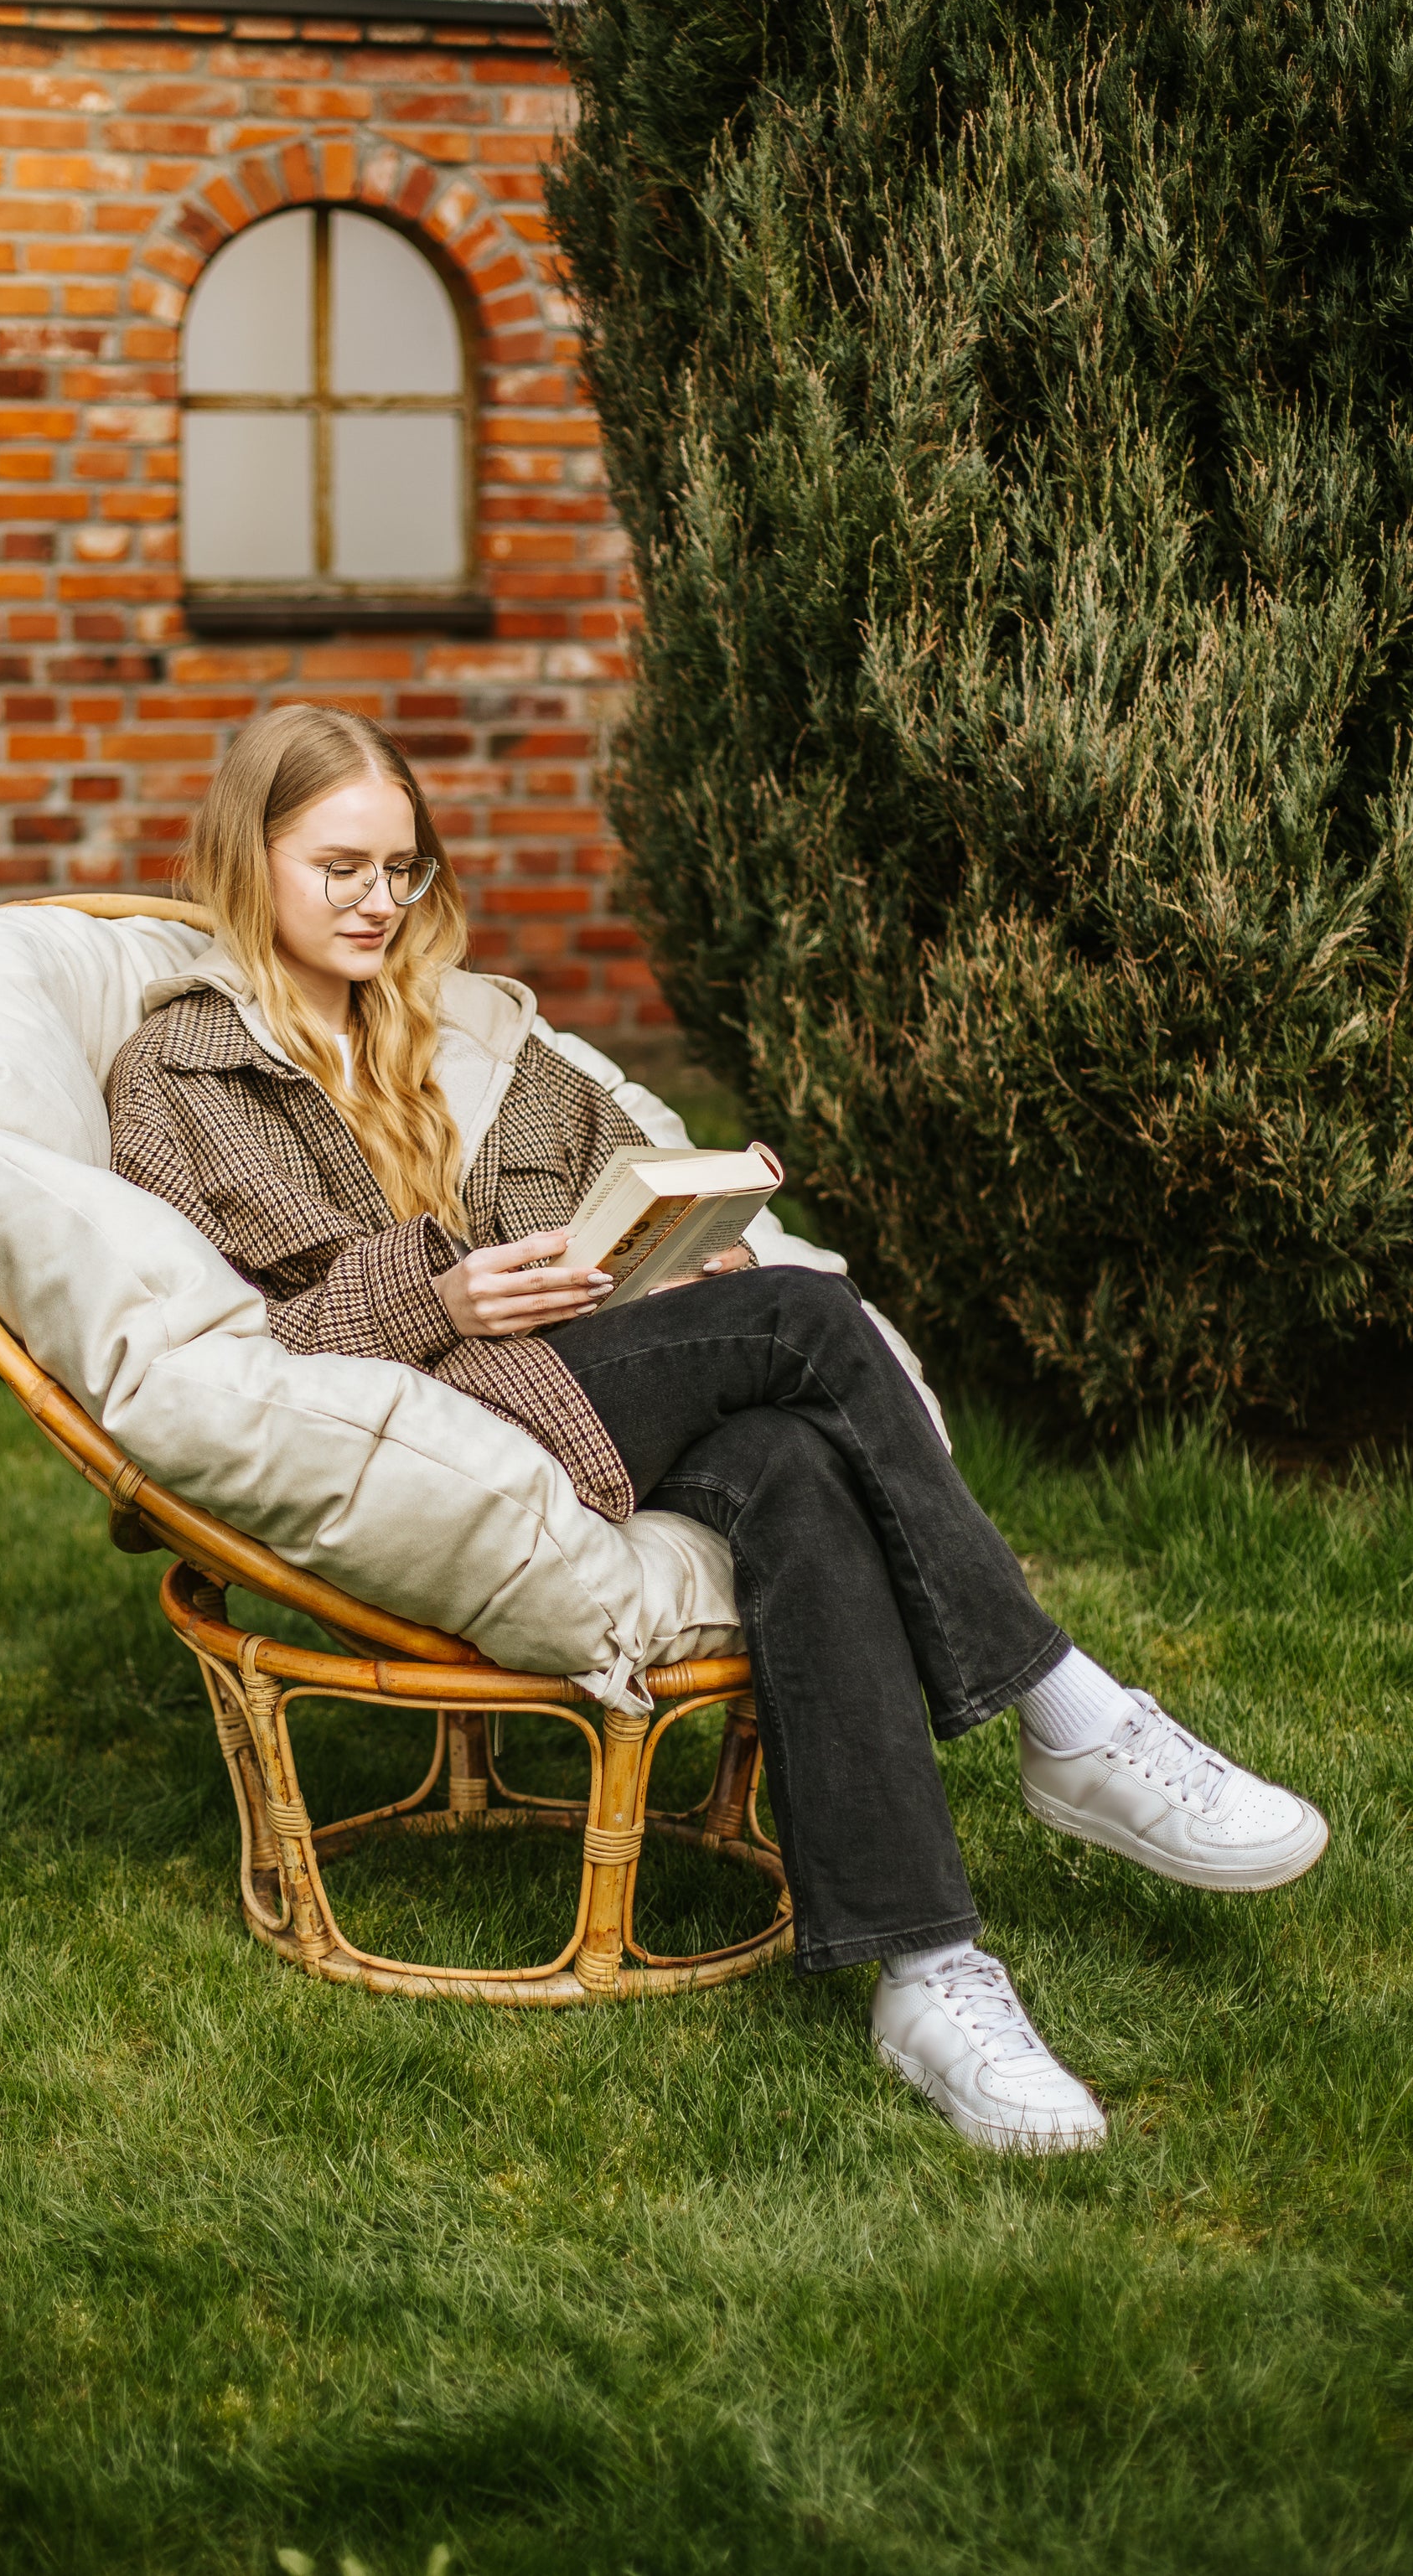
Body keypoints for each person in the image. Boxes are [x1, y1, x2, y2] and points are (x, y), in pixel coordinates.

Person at [108, 703, 1328, 2155]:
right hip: (433, 1410)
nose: (382, 903)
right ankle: (1070, 1715)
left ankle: (927, 1973)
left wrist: (687, 1249)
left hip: (572, 1368)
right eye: (342, 869)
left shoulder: (468, 1027)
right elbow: (251, 1346)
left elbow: (612, 1182)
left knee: (793, 1460)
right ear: (250, 859)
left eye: (406, 870)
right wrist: (437, 1290)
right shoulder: (183, 1076)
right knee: (807, 1332)